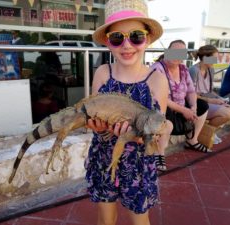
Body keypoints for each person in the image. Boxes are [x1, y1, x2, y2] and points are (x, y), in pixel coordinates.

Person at [85, 0, 172, 224]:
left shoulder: (158, 81)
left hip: (139, 164)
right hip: (104, 157)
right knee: (105, 220)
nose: (126, 45)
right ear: (107, 42)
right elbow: (94, 118)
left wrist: (131, 135)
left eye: (136, 36)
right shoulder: (102, 73)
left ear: (148, 39)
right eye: (117, 38)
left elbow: (156, 131)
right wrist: (98, 126)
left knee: (140, 221)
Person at [151, 40, 211, 153]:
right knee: (162, 109)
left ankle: (192, 141)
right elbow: (159, 97)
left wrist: (193, 108)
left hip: (180, 110)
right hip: (164, 109)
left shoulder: (183, 69)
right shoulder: (157, 69)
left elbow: (191, 92)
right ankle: (159, 153)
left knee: (203, 105)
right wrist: (184, 110)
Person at [189, 45, 230, 144]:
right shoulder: (194, 70)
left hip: (207, 99)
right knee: (227, 113)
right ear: (205, 57)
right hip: (197, 102)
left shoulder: (211, 69)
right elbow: (190, 94)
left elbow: (210, 91)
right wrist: (212, 101)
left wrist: (220, 98)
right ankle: (206, 132)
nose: (216, 61)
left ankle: (210, 131)